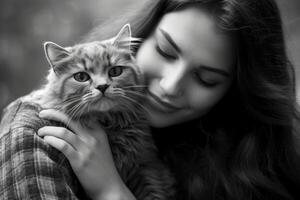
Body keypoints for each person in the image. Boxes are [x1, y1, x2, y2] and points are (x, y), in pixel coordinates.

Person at [1, 0, 300, 199]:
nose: (170, 87)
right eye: (166, 52)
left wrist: (112, 191)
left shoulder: (245, 159)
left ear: (235, 91)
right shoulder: (32, 134)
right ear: (141, 41)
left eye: (206, 79)